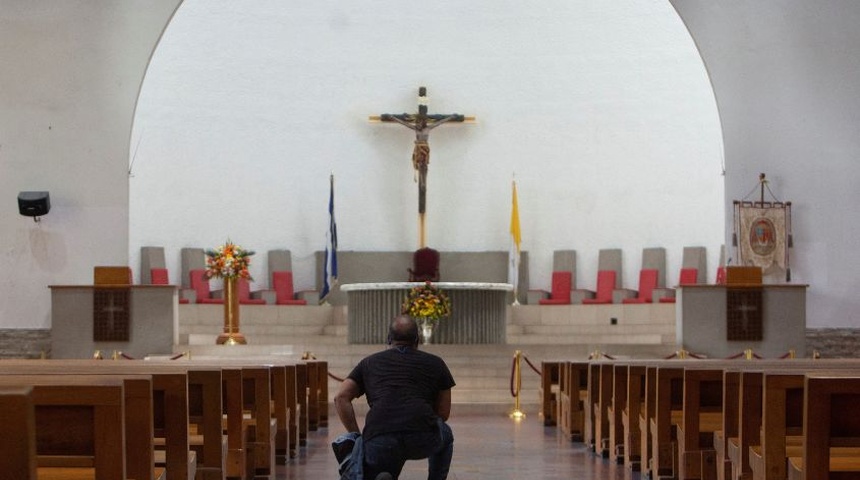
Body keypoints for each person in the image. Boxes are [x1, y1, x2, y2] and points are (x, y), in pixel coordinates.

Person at [334, 315, 456, 480]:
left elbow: (341, 397)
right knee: (445, 433)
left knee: (383, 458)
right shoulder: (436, 363)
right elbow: (443, 413)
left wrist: (356, 436)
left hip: (380, 436)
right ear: (417, 340)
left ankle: (384, 475)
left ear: (389, 339)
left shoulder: (369, 363)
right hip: (422, 437)